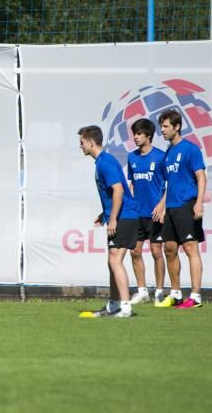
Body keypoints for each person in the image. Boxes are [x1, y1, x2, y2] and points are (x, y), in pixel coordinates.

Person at [78, 125, 135, 318]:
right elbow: (113, 193)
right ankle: (113, 304)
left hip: (124, 216)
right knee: (112, 260)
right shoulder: (102, 161)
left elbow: (118, 190)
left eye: (82, 142)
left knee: (115, 260)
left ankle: (125, 306)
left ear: (91, 142)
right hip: (120, 215)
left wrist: (112, 219)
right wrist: (105, 214)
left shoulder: (105, 162)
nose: (81, 146)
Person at [155, 109, 207, 309]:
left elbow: (201, 176)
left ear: (177, 127)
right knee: (169, 249)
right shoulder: (168, 153)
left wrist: (199, 202)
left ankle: (195, 296)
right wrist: (162, 204)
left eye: (166, 126)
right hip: (171, 207)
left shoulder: (191, 149)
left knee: (190, 248)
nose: (163, 130)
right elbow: (171, 183)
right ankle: (175, 294)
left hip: (187, 204)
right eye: (161, 127)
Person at [125, 118, 168, 305]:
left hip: (155, 214)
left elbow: (171, 183)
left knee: (157, 251)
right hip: (137, 214)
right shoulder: (131, 157)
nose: (135, 137)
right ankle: (142, 291)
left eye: (139, 134)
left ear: (148, 136)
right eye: (134, 133)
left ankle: (159, 291)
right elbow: (132, 184)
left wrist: (162, 205)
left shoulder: (160, 157)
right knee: (134, 252)